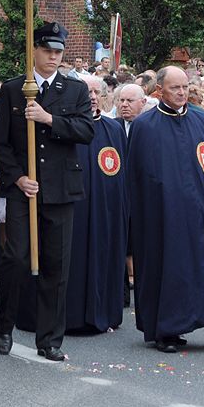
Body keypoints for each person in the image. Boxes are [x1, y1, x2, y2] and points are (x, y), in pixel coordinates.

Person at [0, 22, 94, 361]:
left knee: (56, 266)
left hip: (60, 189)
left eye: (58, 52)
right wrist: (18, 177)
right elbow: (1, 143)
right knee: (16, 258)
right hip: (24, 189)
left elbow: (85, 131)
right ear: (34, 51)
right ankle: (5, 324)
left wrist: (49, 119)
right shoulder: (14, 89)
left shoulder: (74, 89)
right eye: (48, 50)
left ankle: (49, 339)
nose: (53, 56)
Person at [127, 66, 204, 353]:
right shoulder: (145, 126)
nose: (181, 93)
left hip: (200, 212)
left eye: (184, 87)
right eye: (174, 88)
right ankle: (165, 330)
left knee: (199, 266)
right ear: (159, 91)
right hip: (162, 216)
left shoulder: (202, 120)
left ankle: (195, 319)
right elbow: (136, 178)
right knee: (169, 267)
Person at [63, 75, 127, 332]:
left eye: (96, 91)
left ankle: (104, 311)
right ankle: (71, 315)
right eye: (86, 91)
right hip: (74, 207)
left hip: (105, 209)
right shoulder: (66, 125)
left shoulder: (114, 129)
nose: (91, 96)